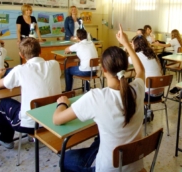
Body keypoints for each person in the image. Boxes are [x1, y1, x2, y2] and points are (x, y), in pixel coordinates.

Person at [53, 24, 145, 171]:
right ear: (126, 68)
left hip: (107, 169)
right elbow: (141, 70)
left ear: (103, 70)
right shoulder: (137, 89)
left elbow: (57, 119)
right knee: (99, 139)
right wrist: (126, 44)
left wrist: (62, 103)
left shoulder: (96, 97)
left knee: (66, 159)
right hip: (135, 167)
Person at [0, 37, 61, 149]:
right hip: (53, 120)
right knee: (34, 102)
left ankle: (5, 139)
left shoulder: (20, 70)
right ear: (40, 51)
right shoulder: (55, 64)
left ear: (21, 55)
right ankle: (32, 136)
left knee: (4, 103)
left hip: (30, 125)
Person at [129, 35, 162, 101]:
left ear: (136, 45)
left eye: (132, 44)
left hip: (148, 95)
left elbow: (125, 62)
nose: (132, 46)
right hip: (160, 93)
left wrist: (127, 49)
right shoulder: (152, 54)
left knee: (128, 93)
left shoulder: (137, 55)